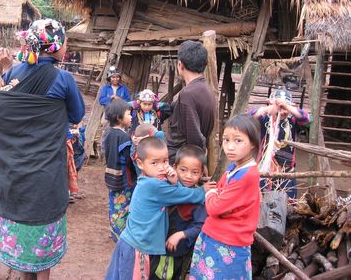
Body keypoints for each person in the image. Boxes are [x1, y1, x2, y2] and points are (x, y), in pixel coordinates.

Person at [0, 19, 85, 280]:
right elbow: (76, 115)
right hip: (46, 174)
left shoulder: (13, 74)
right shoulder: (63, 79)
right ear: (57, 47)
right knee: (43, 247)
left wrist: (7, 68)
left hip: (14, 174)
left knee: (22, 241)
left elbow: (3, 100)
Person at [105, 137, 212, 280]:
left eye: (165, 161)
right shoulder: (155, 185)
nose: (161, 167)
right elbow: (185, 195)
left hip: (132, 242)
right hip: (138, 247)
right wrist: (203, 191)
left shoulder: (148, 179)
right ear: (140, 163)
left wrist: (174, 182)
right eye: (154, 163)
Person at [189, 114, 261, 280]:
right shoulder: (234, 168)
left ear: (252, 144)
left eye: (238, 141)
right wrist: (216, 195)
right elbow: (220, 191)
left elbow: (214, 207)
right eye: (226, 140)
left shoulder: (247, 175)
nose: (230, 147)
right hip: (217, 236)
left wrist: (210, 193)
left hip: (228, 242)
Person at [150, 145, 208, 280]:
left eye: (195, 172)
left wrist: (182, 234)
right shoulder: (166, 187)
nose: (188, 176)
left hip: (174, 251)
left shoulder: (198, 200)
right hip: (155, 244)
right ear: (174, 167)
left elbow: (201, 226)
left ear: (201, 174)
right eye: (183, 170)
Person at [249, 88, 311, 198]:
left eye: (285, 108)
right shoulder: (264, 119)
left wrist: (288, 107)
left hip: (286, 169)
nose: (281, 111)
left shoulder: (293, 122)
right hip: (265, 168)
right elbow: (247, 117)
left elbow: (307, 119)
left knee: (287, 201)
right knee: (260, 199)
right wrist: (267, 109)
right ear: (269, 104)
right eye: (278, 108)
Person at [165, 40, 215, 164]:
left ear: (180, 65)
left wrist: (198, 160)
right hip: (188, 158)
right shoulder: (206, 89)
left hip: (181, 160)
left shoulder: (188, 94)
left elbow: (195, 136)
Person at [104, 99, 136, 242]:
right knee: (123, 207)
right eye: (129, 114)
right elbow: (128, 159)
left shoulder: (109, 133)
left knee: (114, 205)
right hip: (123, 179)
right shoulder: (123, 136)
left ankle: (114, 231)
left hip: (111, 175)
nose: (131, 117)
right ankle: (120, 235)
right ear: (119, 118)